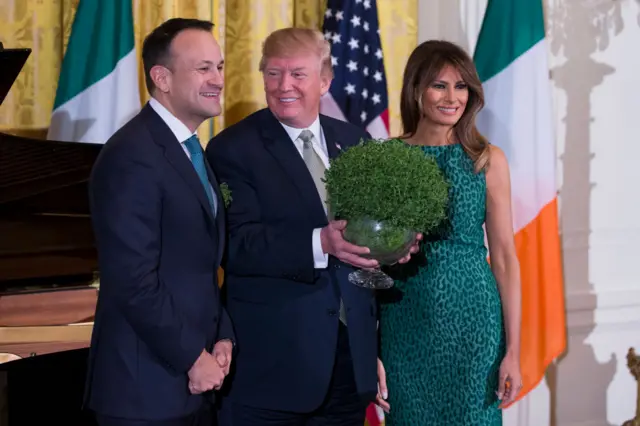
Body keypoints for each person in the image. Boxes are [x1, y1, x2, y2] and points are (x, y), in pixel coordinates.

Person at [206, 28, 418, 425]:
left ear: (325, 81)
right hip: (272, 371)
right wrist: (321, 241)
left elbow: (367, 240)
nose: (284, 86)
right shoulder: (233, 148)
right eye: (273, 73)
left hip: (348, 365)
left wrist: (395, 248)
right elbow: (235, 244)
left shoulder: (354, 143)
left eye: (298, 74)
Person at [84, 18, 235, 426]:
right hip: (145, 393)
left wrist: (223, 335)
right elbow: (133, 280)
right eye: (203, 68)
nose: (218, 79)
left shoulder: (191, 150)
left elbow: (200, 267)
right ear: (161, 78)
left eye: (219, 67)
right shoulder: (132, 155)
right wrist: (192, 356)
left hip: (192, 387)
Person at [378, 40, 523, 426]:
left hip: (475, 324)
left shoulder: (486, 159)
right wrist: (368, 347)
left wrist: (514, 351)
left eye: (461, 87)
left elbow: (506, 257)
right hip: (405, 321)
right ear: (416, 89)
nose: (452, 97)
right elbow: (367, 258)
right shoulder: (388, 158)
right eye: (439, 85)